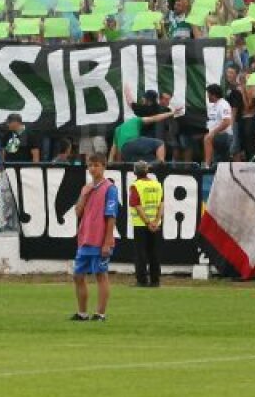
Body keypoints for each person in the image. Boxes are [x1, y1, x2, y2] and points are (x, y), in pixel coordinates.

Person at [70, 154, 118, 322]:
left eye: (96, 165)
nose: (92, 169)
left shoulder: (110, 188)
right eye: (90, 165)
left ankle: (100, 314)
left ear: (104, 166)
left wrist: (107, 241)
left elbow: (111, 216)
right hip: (85, 238)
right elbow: (78, 212)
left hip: (100, 240)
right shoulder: (87, 188)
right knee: (77, 276)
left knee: (100, 275)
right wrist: (84, 194)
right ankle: (82, 313)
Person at [127, 160, 162, 288]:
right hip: (155, 224)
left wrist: (147, 222)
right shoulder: (157, 184)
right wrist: (156, 221)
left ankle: (142, 280)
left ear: (135, 172)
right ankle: (155, 280)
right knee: (154, 252)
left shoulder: (136, 186)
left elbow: (137, 205)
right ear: (147, 171)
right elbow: (161, 204)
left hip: (141, 224)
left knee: (140, 253)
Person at [109, 109, 176, 164]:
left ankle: (152, 165)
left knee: (150, 160)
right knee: (160, 143)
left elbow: (113, 148)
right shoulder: (135, 120)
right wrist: (171, 113)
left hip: (125, 151)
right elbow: (154, 118)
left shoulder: (117, 129)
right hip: (133, 142)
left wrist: (110, 162)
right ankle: (161, 166)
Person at [202, 84, 233, 165]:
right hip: (216, 135)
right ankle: (214, 165)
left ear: (214, 94)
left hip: (224, 135)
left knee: (207, 138)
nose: (207, 96)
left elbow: (227, 122)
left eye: (208, 94)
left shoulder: (223, 104)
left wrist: (213, 132)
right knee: (220, 160)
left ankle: (207, 165)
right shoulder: (213, 105)